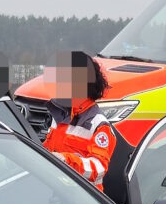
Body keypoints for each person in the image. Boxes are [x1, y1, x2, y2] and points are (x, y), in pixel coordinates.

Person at [40, 50, 118, 188]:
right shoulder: (60, 115)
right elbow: (48, 149)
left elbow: (98, 169)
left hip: (85, 199)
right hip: (56, 191)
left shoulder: (99, 124)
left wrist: (66, 160)